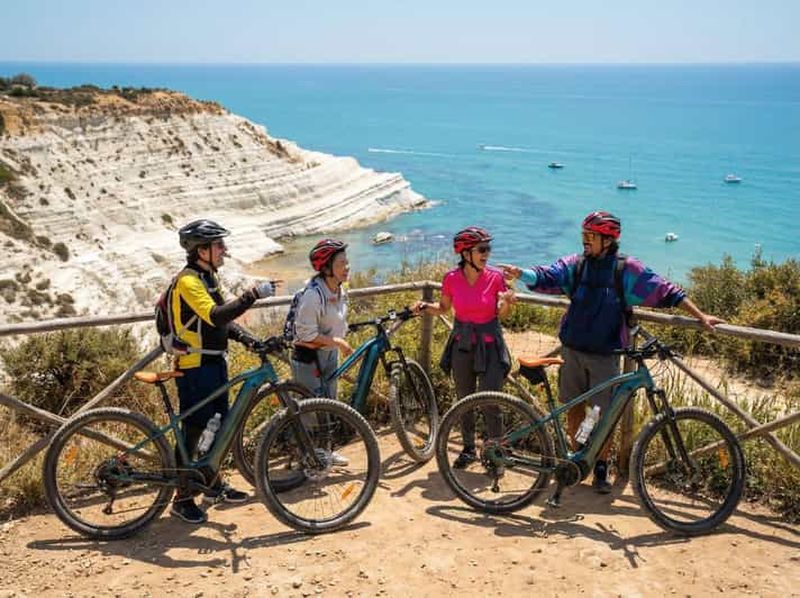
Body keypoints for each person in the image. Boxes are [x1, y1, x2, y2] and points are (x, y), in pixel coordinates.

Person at [499, 210, 724, 493]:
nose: (584, 241)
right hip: (571, 350)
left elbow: (666, 291)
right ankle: (578, 460)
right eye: (583, 236)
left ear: (607, 239)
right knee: (574, 410)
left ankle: (601, 467)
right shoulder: (577, 265)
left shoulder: (626, 270)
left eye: (590, 237)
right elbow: (549, 275)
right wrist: (522, 274)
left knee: (601, 414)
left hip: (605, 354)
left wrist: (700, 316)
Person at [170, 218, 276, 524]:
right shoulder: (189, 281)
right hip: (194, 367)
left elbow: (222, 322)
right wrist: (252, 295)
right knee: (193, 429)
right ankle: (182, 497)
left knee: (218, 424)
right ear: (201, 250)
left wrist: (247, 339)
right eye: (218, 245)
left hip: (214, 362)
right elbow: (215, 316)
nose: (224, 250)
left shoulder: (209, 278)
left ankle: (212, 483)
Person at [413, 226, 516, 469]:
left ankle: (496, 451)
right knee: (464, 399)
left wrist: (507, 303)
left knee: (492, 399)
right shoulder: (451, 279)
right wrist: (425, 307)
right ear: (465, 253)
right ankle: (469, 449)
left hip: (490, 345)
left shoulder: (495, 278)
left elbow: (502, 314)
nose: (486, 254)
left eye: (488, 249)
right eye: (482, 249)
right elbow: (443, 308)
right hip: (462, 344)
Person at [288, 238, 353, 466]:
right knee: (310, 411)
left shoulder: (340, 290)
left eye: (347, 262)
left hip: (328, 355)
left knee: (329, 404)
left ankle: (325, 452)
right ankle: (305, 457)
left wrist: (336, 342)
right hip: (308, 358)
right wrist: (337, 341)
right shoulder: (313, 295)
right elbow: (305, 335)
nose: (347, 267)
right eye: (341, 264)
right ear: (326, 268)